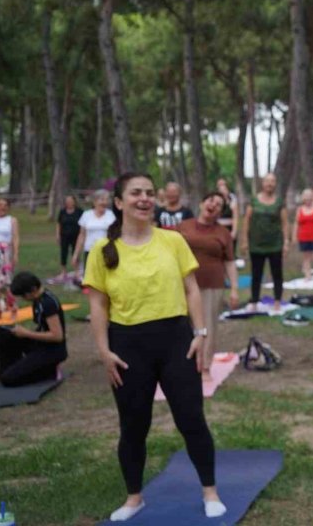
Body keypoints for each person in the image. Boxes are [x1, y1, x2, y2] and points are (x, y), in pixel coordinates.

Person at [84, 172, 226, 521]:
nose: (145, 198)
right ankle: (134, 498)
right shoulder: (103, 251)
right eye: (136, 193)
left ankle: (210, 491)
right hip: (127, 345)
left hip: (176, 341)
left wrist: (200, 332)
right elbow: (98, 305)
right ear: (119, 202)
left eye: (150, 193)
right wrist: (103, 351)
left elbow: (191, 288)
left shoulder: (172, 240)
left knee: (191, 419)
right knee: (133, 425)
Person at [178, 192, 239, 376]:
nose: (214, 205)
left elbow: (229, 261)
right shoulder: (182, 227)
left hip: (211, 285)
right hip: (182, 284)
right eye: (211, 200)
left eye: (219, 204)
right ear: (202, 203)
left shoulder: (223, 233)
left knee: (207, 326)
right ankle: (182, 364)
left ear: (220, 212)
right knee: (181, 326)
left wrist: (234, 289)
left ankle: (204, 367)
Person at [0, 272, 67, 387]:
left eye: (24, 295)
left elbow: (57, 336)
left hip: (52, 351)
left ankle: (50, 371)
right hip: (41, 344)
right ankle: (5, 368)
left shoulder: (48, 303)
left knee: (8, 379)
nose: (23, 298)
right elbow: (42, 328)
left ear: (33, 289)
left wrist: (27, 333)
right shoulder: (37, 301)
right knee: (2, 331)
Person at [240, 173, 289, 312]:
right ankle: (254, 301)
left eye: (273, 181)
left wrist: (286, 242)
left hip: (275, 244)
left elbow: (285, 223)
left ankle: (277, 301)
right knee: (256, 274)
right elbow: (246, 221)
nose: (270, 184)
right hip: (256, 245)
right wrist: (244, 240)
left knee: (277, 274)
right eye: (267, 181)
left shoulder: (279, 201)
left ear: (275, 184)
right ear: (263, 183)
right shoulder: (254, 201)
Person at [72, 189, 116, 280]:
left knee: (106, 276)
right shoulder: (86, 215)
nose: (105, 202)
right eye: (102, 199)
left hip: (106, 251)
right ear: (95, 201)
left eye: (107, 200)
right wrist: (76, 254)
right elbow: (81, 235)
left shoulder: (111, 215)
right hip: (90, 250)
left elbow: (116, 235)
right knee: (90, 277)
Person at [293, 188, 313, 280]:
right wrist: (294, 235)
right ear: (303, 198)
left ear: (312, 197)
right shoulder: (299, 209)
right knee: (306, 257)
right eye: (306, 197)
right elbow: (296, 224)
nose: (308, 199)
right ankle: (308, 276)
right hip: (304, 237)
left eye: (309, 197)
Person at [55, 195, 83, 282]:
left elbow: (83, 224)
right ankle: (63, 272)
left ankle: (77, 272)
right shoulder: (62, 212)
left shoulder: (79, 212)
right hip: (64, 236)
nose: (69, 202)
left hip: (76, 236)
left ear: (74, 201)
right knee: (64, 253)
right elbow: (58, 224)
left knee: (76, 253)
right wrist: (57, 235)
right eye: (67, 201)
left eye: (71, 201)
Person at [215, 178, 239, 246]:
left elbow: (235, 217)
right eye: (220, 185)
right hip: (217, 230)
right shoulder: (215, 201)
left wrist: (234, 232)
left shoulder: (232, 200)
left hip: (228, 229)